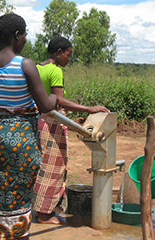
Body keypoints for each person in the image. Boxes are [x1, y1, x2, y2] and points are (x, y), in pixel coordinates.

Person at [0, 13, 57, 240]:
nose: (25, 40)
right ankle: (19, 235)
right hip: (20, 138)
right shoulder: (25, 65)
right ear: (16, 35)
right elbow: (45, 105)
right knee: (20, 192)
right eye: (24, 35)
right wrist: (55, 96)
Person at [33, 36, 109, 224]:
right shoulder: (55, 70)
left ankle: (39, 209)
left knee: (41, 167)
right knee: (55, 167)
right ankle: (45, 214)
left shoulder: (36, 67)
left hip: (36, 121)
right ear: (59, 53)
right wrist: (89, 109)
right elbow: (58, 100)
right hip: (52, 123)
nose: (68, 58)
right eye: (68, 54)